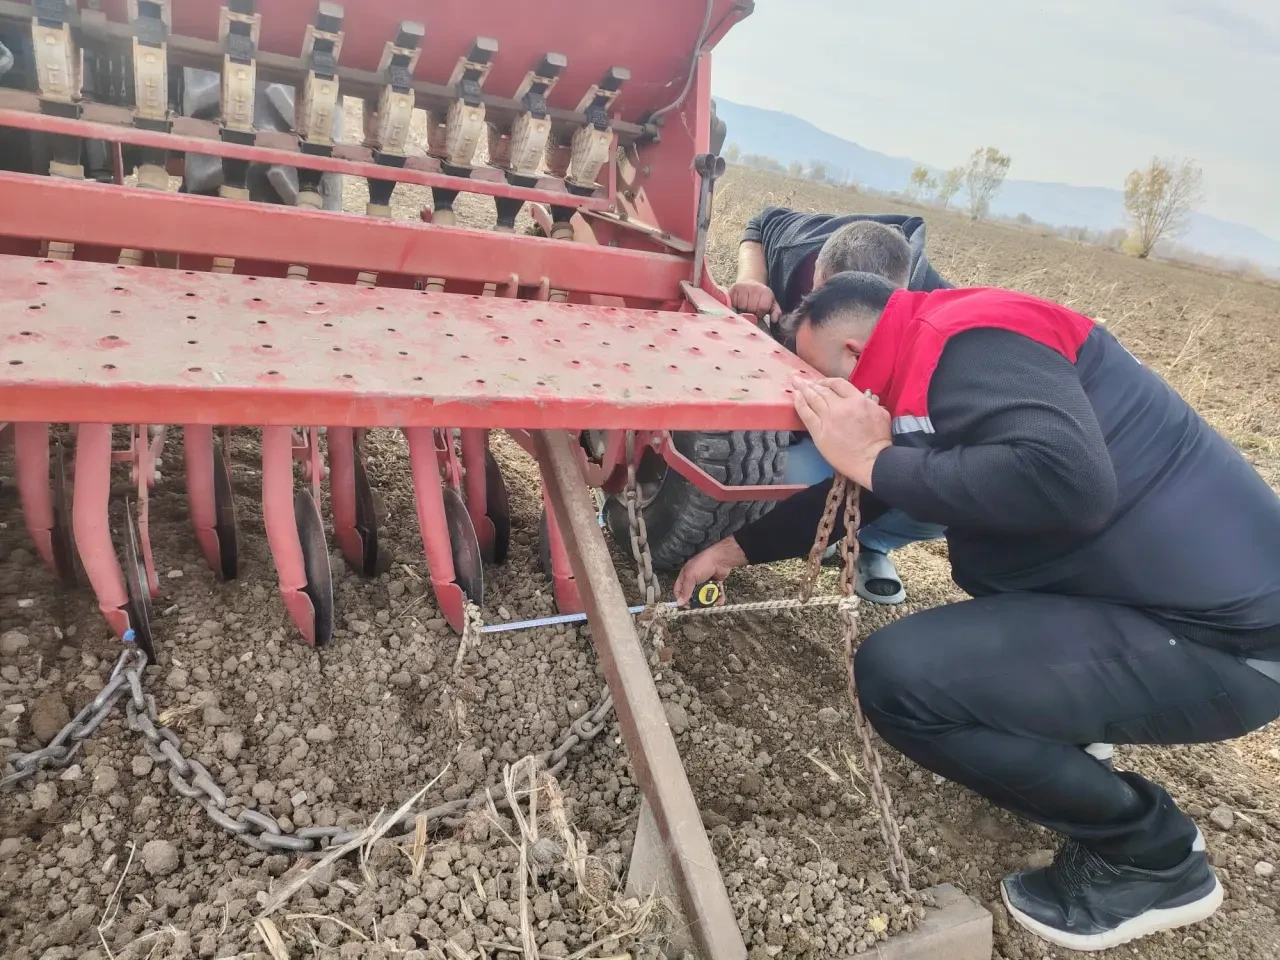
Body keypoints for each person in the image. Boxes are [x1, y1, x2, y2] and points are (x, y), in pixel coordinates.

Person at [676, 272, 1280, 952]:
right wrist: (736, 549)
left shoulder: (967, 346)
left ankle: (1153, 857)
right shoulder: (934, 349)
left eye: (819, 382)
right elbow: (872, 488)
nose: (821, 406)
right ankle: (1068, 729)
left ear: (852, 353)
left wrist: (874, 457)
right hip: (1177, 606)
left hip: (1232, 645)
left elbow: (1070, 482)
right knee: (983, 568)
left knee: (901, 677)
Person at [731, 208, 950, 604]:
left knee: (938, 496)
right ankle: (807, 525)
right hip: (794, 406)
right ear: (817, 274)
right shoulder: (797, 244)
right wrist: (752, 279)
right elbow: (759, 222)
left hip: (867, 424)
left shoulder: (935, 305)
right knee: (772, 477)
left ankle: (869, 541)